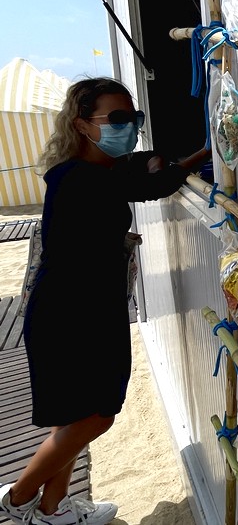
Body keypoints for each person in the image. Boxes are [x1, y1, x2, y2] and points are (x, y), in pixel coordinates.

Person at [0, 78, 210, 525]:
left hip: (79, 308)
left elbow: (136, 171)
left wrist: (151, 161)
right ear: (82, 124)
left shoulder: (88, 169)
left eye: (133, 119)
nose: (129, 127)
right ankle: (17, 500)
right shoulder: (81, 180)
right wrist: (207, 152)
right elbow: (157, 184)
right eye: (116, 120)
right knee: (96, 418)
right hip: (73, 317)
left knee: (73, 419)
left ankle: (54, 510)